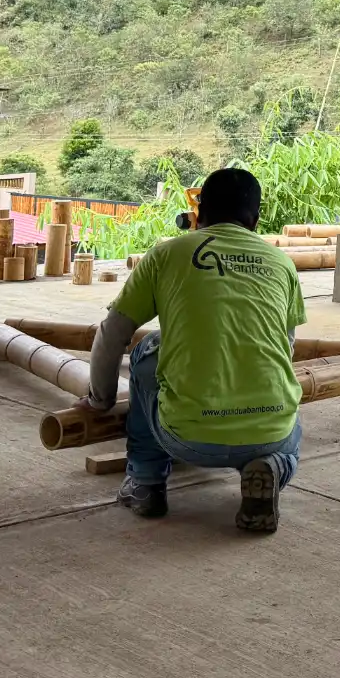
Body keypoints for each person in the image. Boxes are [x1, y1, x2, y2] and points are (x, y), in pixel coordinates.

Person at [80, 167, 307, 533]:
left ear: (200, 210)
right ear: (257, 217)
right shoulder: (281, 262)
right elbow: (287, 345)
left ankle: (145, 483)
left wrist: (99, 400)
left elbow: (112, 333)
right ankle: (273, 466)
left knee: (146, 350)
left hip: (187, 439)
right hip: (269, 430)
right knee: (290, 436)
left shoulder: (167, 253)